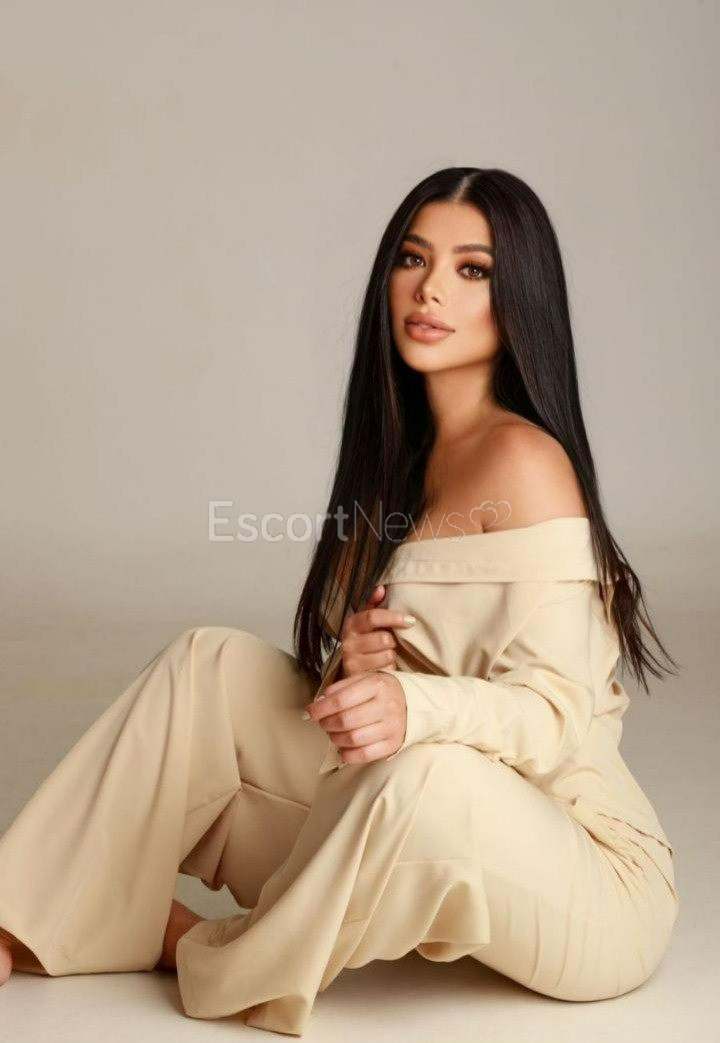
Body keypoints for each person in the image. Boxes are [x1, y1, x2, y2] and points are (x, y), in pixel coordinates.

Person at [0, 167, 680, 1036]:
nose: (430, 288)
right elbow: (392, 697)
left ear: (520, 301)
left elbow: (553, 715)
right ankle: (23, 911)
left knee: (424, 770)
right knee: (212, 664)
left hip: (590, 877)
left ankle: (206, 950)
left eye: (472, 269)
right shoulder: (398, 461)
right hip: (437, 828)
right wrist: (357, 671)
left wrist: (411, 703)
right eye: (412, 258)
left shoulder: (527, 462)